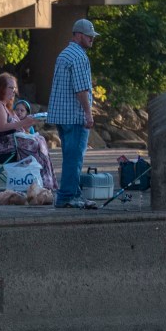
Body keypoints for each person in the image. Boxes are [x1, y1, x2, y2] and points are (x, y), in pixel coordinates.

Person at [0, 71, 55, 193]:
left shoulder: (4, 106)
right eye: (10, 88)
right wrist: (24, 122)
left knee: (39, 140)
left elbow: (17, 127)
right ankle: (39, 183)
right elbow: (2, 128)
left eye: (15, 88)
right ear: (1, 88)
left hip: (4, 143)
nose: (14, 91)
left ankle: (43, 183)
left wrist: (32, 121)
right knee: (35, 144)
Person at [48, 18, 97, 208]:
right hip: (75, 117)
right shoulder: (79, 57)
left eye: (92, 35)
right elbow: (81, 89)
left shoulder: (64, 54)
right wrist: (88, 113)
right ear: (78, 35)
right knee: (74, 157)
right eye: (88, 35)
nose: (92, 38)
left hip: (61, 115)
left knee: (70, 155)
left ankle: (74, 194)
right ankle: (67, 196)